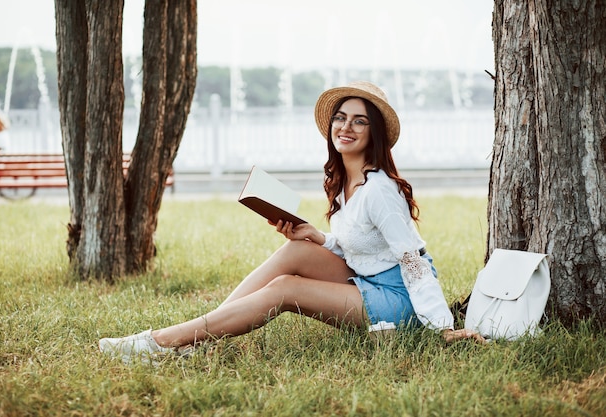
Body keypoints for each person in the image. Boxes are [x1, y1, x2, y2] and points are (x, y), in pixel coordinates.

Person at [99, 81, 484, 362]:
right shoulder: (347, 181)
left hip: (399, 303)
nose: (345, 128)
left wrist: (442, 328)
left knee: (286, 288)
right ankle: (205, 331)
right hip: (370, 279)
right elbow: (365, 245)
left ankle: (162, 343)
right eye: (340, 118)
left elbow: (412, 260)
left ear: (374, 133)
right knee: (296, 249)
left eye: (359, 122)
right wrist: (318, 237)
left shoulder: (380, 190)